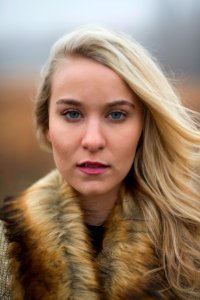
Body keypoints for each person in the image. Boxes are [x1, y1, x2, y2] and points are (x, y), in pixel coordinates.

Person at [0, 26, 199, 300]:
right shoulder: (5, 249)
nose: (93, 140)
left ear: (144, 127)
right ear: (47, 125)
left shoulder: (191, 245)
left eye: (116, 115)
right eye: (72, 114)